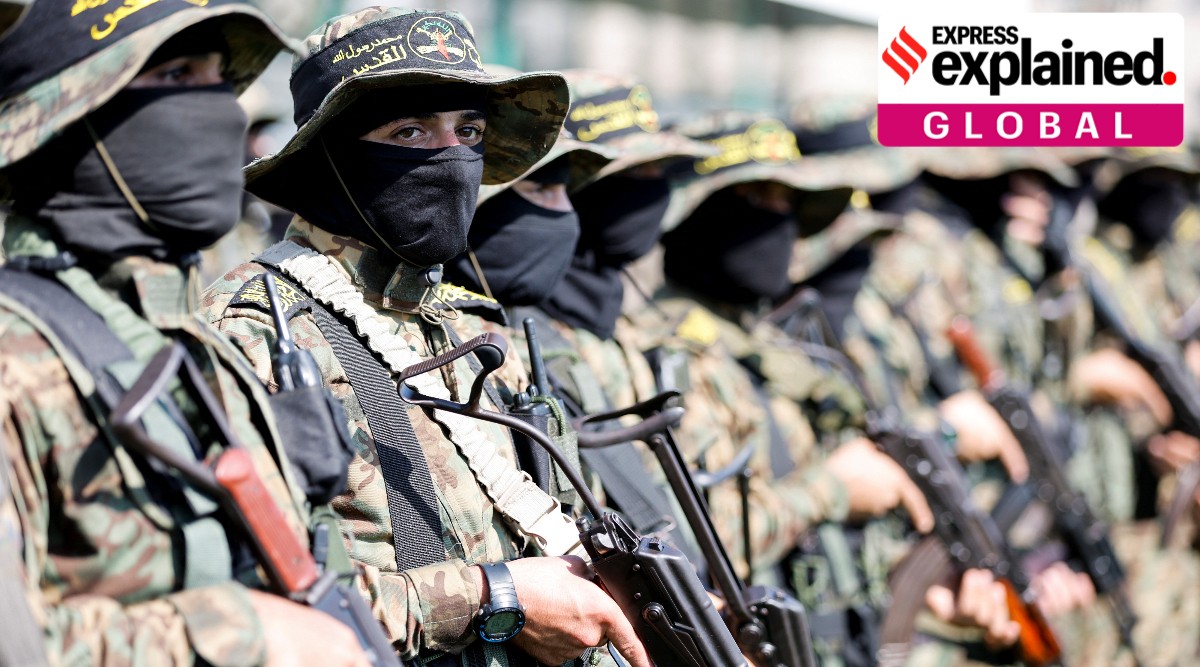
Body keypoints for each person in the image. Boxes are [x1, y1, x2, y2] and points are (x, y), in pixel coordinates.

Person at [202, 9, 650, 667]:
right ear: (331, 154)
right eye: (409, 132)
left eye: (468, 131)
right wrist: (494, 598)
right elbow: (254, 608)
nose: (451, 157)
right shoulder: (258, 329)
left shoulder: (473, 326)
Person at [0, 1, 372, 665]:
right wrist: (237, 636)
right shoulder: (14, 355)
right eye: (175, 75)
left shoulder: (192, 339)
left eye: (219, 78)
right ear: (71, 113)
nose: (220, 109)